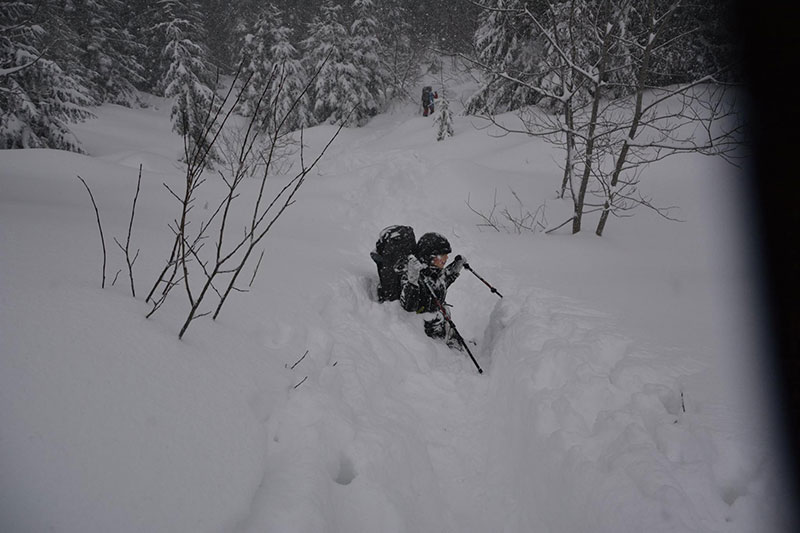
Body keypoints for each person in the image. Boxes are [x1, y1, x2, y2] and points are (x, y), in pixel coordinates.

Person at [399, 232, 466, 348]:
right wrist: (412, 281)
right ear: (429, 256)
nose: (446, 258)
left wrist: (455, 269)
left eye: (446, 255)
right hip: (426, 336)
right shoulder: (414, 275)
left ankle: (452, 340)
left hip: (440, 325)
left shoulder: (434, 272)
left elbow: (443, 281)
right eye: (442, 255)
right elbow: (408, 306)